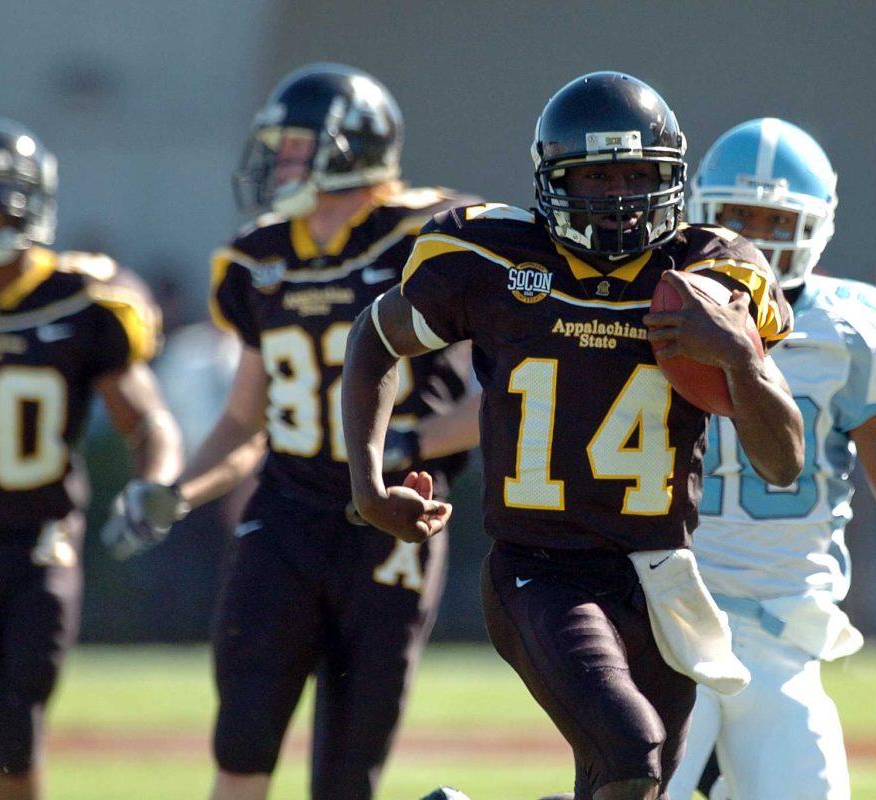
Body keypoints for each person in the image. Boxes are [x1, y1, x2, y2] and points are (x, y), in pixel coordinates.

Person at [343, 72, 804, 800]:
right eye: (595, 177)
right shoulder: (492, 259)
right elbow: (375, 336)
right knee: (633, 751)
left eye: (636, 175)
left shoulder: (711, 274)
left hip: (661, 577)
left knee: (629, 786)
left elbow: (783, 463)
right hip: (541, 567)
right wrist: (367, 483)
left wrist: (741, 356)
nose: (619, 197)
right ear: (554, 183)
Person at [101, 64, 481, 800]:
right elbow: (245, 420)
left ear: (354, 151)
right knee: (242, 740)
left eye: (298, 148)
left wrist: (406, 446)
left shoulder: (425, 240)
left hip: (391, 520)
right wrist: (175, 495)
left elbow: (506, 395)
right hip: (286, 516)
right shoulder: (260, 257)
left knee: (347, 773)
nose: (281, 164)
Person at [666, 118, 876, 800]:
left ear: (815, 228)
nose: (755, 240)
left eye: (775, 220)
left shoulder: (851, 334)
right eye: (737, 219)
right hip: (667, 617)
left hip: (781, 636)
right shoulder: (661, 313)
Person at [0, 118, 182, 800]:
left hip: (37, 542)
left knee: (14, 725)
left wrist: (153, 485)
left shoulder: (78, 300)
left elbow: (148, 421)